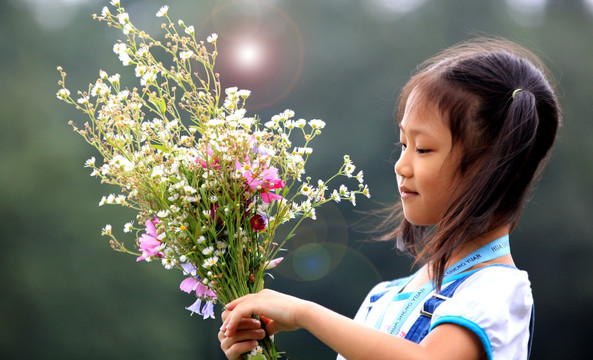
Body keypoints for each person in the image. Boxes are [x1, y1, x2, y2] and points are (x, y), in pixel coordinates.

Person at [218, 37, 562, 360]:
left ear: (494, 166)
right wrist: (258, 350)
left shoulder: (497, 290)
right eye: (403, 144)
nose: (401, 165)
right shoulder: (384, 297)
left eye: (423, 148)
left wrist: (303, 313)